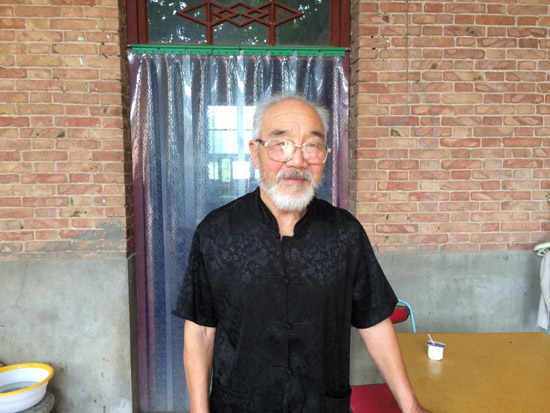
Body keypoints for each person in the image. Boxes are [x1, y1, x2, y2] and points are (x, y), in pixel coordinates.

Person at [174, 93, 430, 413]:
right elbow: (200, 331)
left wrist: (411, 407)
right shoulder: (216, 232)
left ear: (324, 156)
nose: (297, 161)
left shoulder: (344, 233)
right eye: (281, 144)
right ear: (255, 152)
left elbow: (374, 321)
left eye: (312, 145)